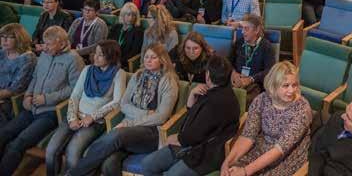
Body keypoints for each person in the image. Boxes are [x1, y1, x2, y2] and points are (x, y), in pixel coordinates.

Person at [67, 43, 179, 176]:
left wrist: (129, 123)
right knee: (109, 162)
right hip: (128, 130)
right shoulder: (138, 75)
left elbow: (161, 117)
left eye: (153, 57)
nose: (148, 60)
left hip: (152, 131)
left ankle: (73, 174)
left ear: (162, 60)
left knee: (116, 135)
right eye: (146, 57)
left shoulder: (169, 81)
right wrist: (144, 113)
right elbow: (123, 104)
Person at [0, 26, 84, 175]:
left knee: (18, 144)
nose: (44, 47)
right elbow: (35, 78)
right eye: (44, 43)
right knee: (4, 133)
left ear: (61, 43)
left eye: (48, 44)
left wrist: (47, 98)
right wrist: (27, 95)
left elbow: (74, 89)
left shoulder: (74, 59)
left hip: (50, 113)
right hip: (31, 107)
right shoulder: (44, 55)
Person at [141, 55, 240, 176]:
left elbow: (195, 134)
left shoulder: (216, 101)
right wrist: (192, 94)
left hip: (204, 154)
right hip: (191, 145)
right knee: (147, 164)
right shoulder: (213, 92)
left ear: (208, 75)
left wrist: (177, 139)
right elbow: (194, 118)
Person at [45, 40, 127, 176]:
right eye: (95, 53)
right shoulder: (88, 69)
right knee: (51, 149)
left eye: (100, 55)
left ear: (111, 56)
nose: (95, 57)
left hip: (95, 122)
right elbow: (75, 95)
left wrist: (92, 116)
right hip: (75, 116)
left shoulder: (119, 73)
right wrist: (72, 118)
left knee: (73, 152)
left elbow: (117, 102)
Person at [221, 61, 311, 176]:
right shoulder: (262, 99)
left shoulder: (302, 109)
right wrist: (228, 162)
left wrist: (245, 171)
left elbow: (280, 149)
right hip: (262, 147)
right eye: (285, 85)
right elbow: (248, 135)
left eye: (294, 85)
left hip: (287, 157)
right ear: (273, 85)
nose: (291, 90)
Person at [230, 14, 275, 103]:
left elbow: (270, 70)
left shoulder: (266, 46)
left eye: (246, 29)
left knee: (240, 101)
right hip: (237, 81)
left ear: (257, 30)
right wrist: (233, 73)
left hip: (255, 85)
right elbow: (228, 61)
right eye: (242, 28)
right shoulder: (239, 42)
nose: (242, 32)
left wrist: (251, 79)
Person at [0, 24, 36, 126]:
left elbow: (16, 89)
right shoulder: (2, 53)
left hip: (11, 100)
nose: (4, 40)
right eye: (2, 36)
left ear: (19, 38)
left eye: (9, 37)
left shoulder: (27, 58)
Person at [108, 3, 145, 69]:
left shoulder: (138, 32)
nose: (131, 18)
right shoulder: (116, 27)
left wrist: (119, 61)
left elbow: (134, 52)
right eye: (128, 15)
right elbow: (108, 44)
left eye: (133, 15)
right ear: (123, 15)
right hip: (111, 58)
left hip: (124, 62)